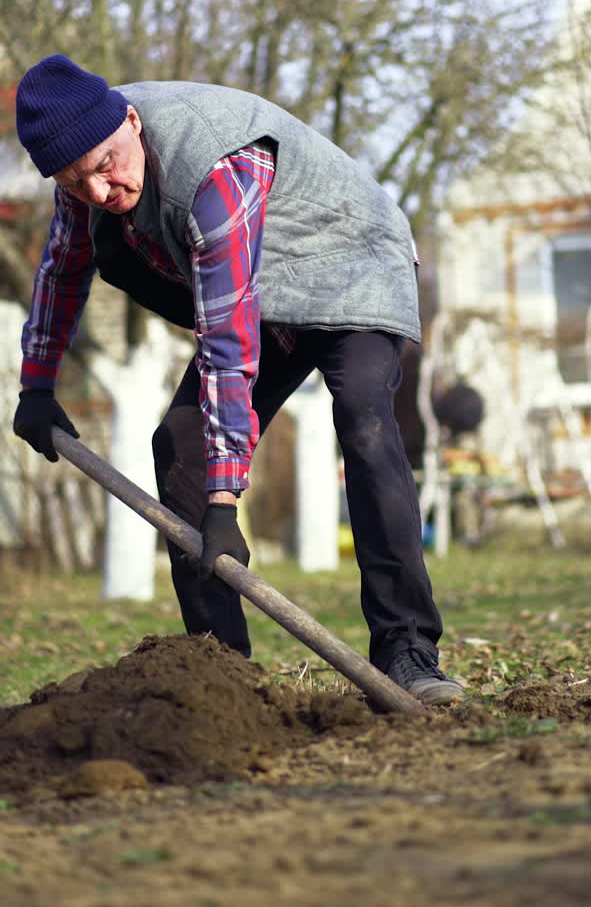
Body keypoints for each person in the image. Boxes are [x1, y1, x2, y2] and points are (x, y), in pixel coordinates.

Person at [12, 53, 464, 705]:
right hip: (266, 290)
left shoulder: (213, 166)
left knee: (364, 419)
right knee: (179, 444)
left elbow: (225, 341)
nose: (102, 191)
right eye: (79, 184)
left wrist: (223, 505)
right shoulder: (86, 172)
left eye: (108, 167)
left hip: (350, 257)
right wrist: (37, 385)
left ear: (132, 123)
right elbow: (60, 272)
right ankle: (222, 675)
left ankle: (408, 650)